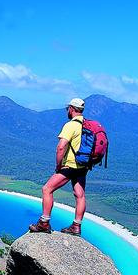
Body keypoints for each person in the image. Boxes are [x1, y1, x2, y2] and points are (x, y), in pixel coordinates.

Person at [29, 97, 88, 236]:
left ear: (72, 109)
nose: (67, 110)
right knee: (80, 195)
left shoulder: (71, 125)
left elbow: (61, 147)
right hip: (83, 166)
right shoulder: (86, 125)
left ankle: (44, 223)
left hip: (69, 166)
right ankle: (76, 226)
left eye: (68, 108)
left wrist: (58, 166)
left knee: (47, 189)